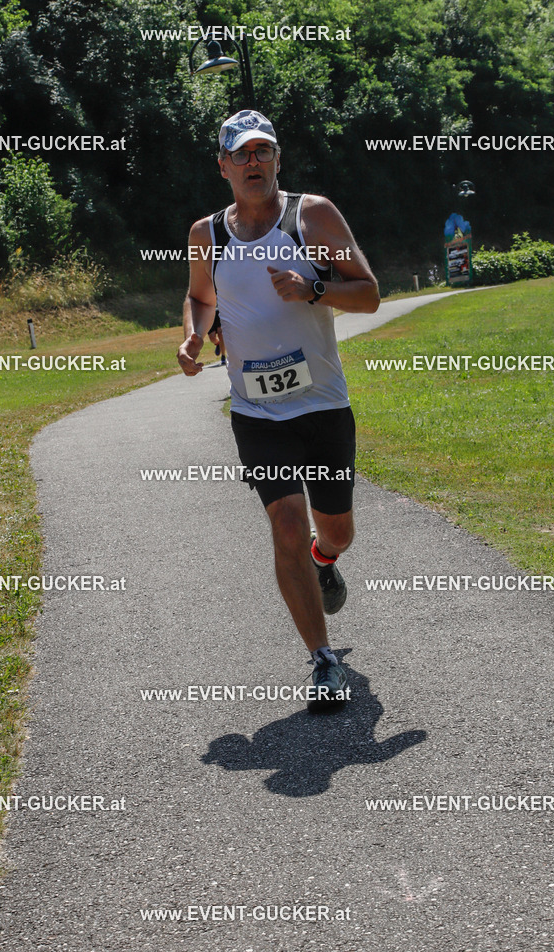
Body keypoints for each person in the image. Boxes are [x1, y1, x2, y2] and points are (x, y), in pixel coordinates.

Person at [178, 110, 379, 706]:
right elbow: (198, 297)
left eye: (263, 151)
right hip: (257, 414)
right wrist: (193, 335)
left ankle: (326, 559)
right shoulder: (205, 235)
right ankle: (322, 661)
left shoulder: (309, 215)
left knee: (335, 530)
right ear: (223, 166)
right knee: (286, 524)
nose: (253, 162)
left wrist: (313, 287)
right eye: (241, 154)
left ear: (278, 159)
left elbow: (368, 293)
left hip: (321, 406)